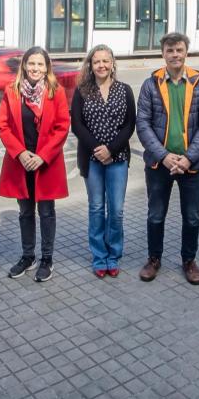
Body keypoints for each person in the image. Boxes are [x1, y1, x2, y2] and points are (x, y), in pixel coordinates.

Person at [137, 32, 199, 285]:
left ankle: (189, 261)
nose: (175, 55)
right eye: (170, 50)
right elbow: (143, 124)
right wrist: (165, 155)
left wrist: (188, 158)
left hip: (192, 166)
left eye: (179, 50)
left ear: (186, 52)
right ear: (163, 54)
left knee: (191, 216)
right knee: (155, 215)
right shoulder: (151, 84)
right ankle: (154, 259)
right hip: (159, 164)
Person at [0, 46, 71, 283]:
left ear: (46, 67)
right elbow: (4, 125)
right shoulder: (12, 91)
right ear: (24, 66)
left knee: (47, 212)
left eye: (40, 64)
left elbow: (62, 126)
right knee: (25, 212)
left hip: (45, 164)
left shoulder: (55, 92)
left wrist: (43, 155)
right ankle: (28, 256)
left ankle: (47, 259)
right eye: (32, 64)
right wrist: (20, 153)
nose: (35, 69)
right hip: (21, 163)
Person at [70, 45, 137, 278]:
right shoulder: (82, 91)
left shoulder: (124, 90)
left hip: (118, 158)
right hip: (92, 159)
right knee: (97, 208)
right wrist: (98, 150)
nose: (101, 66)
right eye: (97, 61)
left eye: (105, 61)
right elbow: (76, 124)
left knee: (116, 210)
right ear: (90, 65)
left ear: (112, 63)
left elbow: (130, 124)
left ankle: (113, 254)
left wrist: (111, 149)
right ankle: (99, 256)